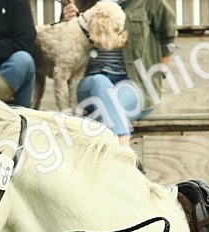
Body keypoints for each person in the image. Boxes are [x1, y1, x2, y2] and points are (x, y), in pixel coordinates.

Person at [63, 0, 176, 149]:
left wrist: (161, 71)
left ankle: (119, 143)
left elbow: (168, 34)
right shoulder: (79, 3)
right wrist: (66, 22)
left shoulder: (148, 2)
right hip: (89, 83)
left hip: (132, 83)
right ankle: (124, 149)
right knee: (100, 82)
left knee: (108, 108)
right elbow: (65, 47)